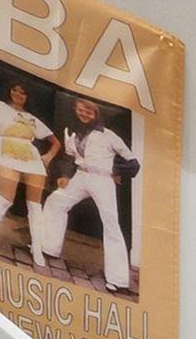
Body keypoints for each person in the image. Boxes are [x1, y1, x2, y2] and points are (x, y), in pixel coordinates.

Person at [35, 96, 136, 291]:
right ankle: (49, 247)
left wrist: (115, 171)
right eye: (81, 109)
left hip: (102, 180)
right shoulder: (72, 133)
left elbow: (132, 163)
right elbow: (68, 157)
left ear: (96, 113)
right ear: (76, 109)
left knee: (111, 223)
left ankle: (118, 279)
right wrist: (65, 175)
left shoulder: (109, 135)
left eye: (89, 111)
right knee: (56, 202)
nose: (84, 113)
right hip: (80, 177)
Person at [0, 81, 56, 265]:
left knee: (35, 205)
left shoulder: (32, 118)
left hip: (31, 156)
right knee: (6, 197)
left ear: (27, 97)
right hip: (8, 150)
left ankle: (37, 248)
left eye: (23, 92)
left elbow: (55, 142)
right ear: (9, 91)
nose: (18, 94)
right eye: (15, 90)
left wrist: (48, 156)